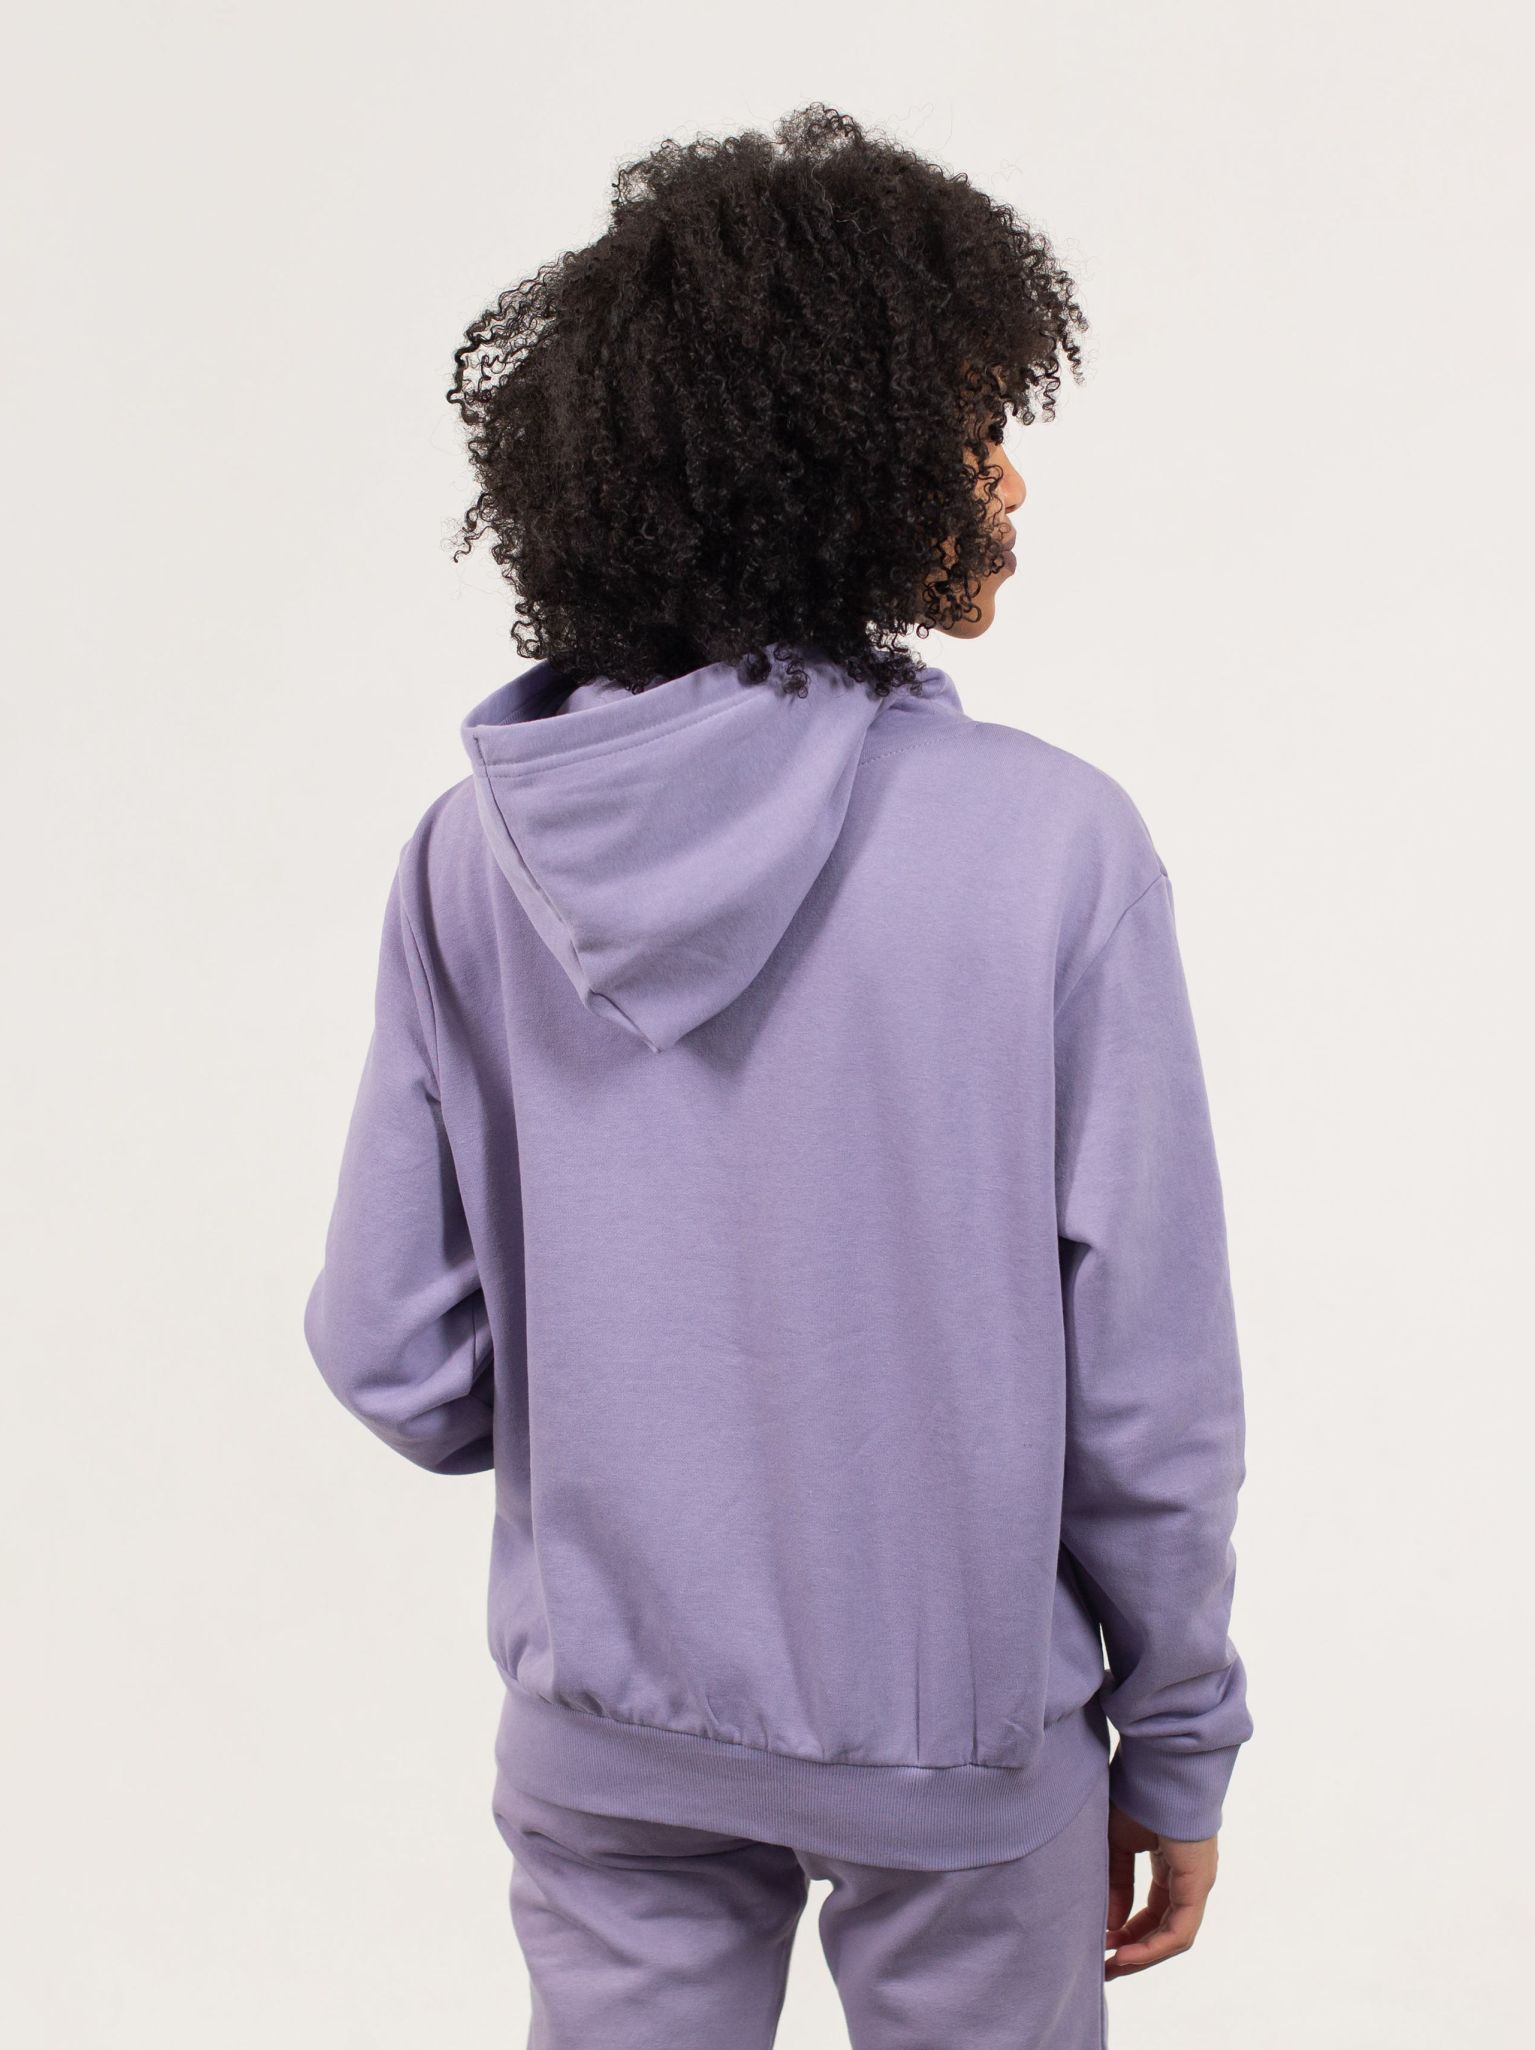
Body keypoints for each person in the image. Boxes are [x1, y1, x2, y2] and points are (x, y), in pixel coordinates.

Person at [303, 102, 1252, 2049]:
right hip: (956, 1747)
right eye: (974, 427)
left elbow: (391, 1348)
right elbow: (1147, 1386)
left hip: (606, 1734)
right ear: (848, 460)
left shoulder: (477, 852)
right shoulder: (1053, 846)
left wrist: (642, 1458)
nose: (1008, 479)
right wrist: (1179, 1732)